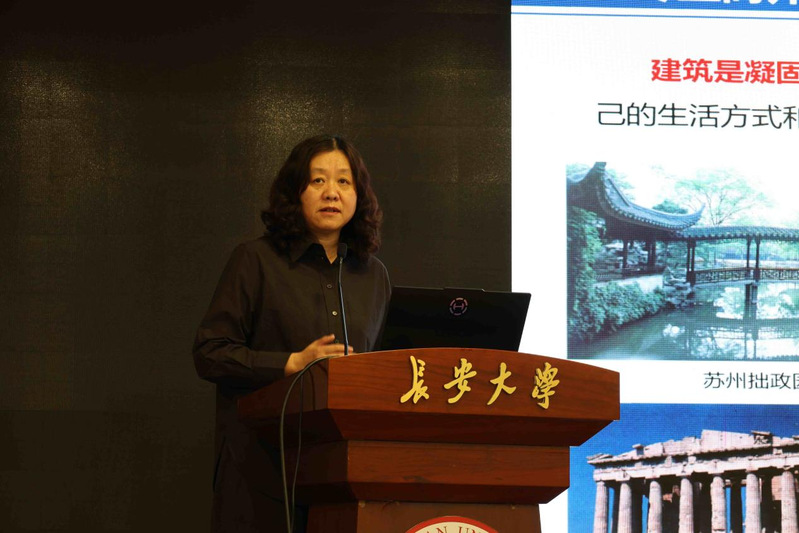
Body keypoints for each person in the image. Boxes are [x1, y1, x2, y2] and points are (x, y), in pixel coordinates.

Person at [193, 134, 391, 532]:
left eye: (344, 181)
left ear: (359, 195)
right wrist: (292, 364)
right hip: (259, 475)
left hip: (342, 478)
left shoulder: (373, 276)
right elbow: (210, 352)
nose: (331, 192)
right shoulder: (255, 261)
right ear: (295, 191)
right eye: (318, 180)